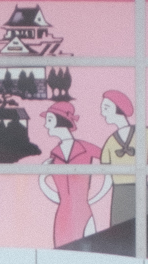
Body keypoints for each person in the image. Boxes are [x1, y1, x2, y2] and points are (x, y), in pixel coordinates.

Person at [38, 102, 107, 246]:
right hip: (63, 215)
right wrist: (42, 181)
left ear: (60, 120)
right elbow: (61, 196)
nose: (46, 125)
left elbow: (110, 165)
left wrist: (97, 196)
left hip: (83, 212)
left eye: (49, 120)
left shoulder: (86, 148)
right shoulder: (54, 156)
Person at [99, 91, 148, 227]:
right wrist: (95, 198)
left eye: (106, 108)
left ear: (119, 108)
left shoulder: (144, 132)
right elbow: (108, 178)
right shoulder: (110, 142)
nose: (102, 113)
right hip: (119, 194)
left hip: (141, 190)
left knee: (145, 230)